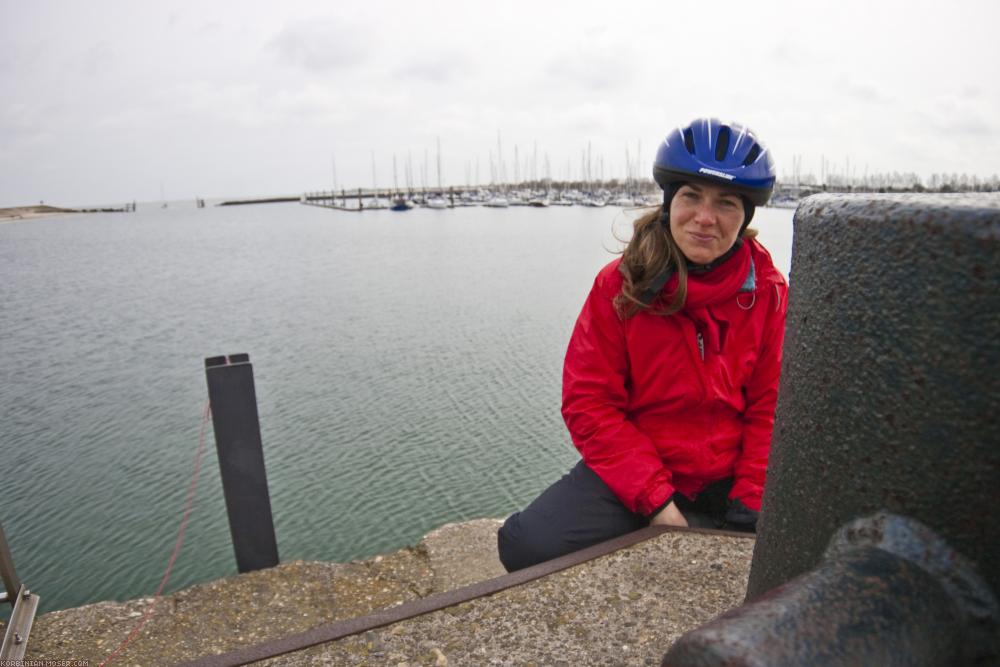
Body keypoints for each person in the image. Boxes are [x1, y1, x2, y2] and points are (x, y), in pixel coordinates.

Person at [497, 118, 788, 572]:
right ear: (670, 200)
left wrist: (750, 503)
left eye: (726, 203)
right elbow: (589, 403)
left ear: (746, 215)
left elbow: (771, 407)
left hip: (730, 473)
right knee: (524, 545)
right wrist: (657, 502)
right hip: (642, 470)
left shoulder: (768, 292)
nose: (705, 218)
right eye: (691, 196)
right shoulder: (620, 286)